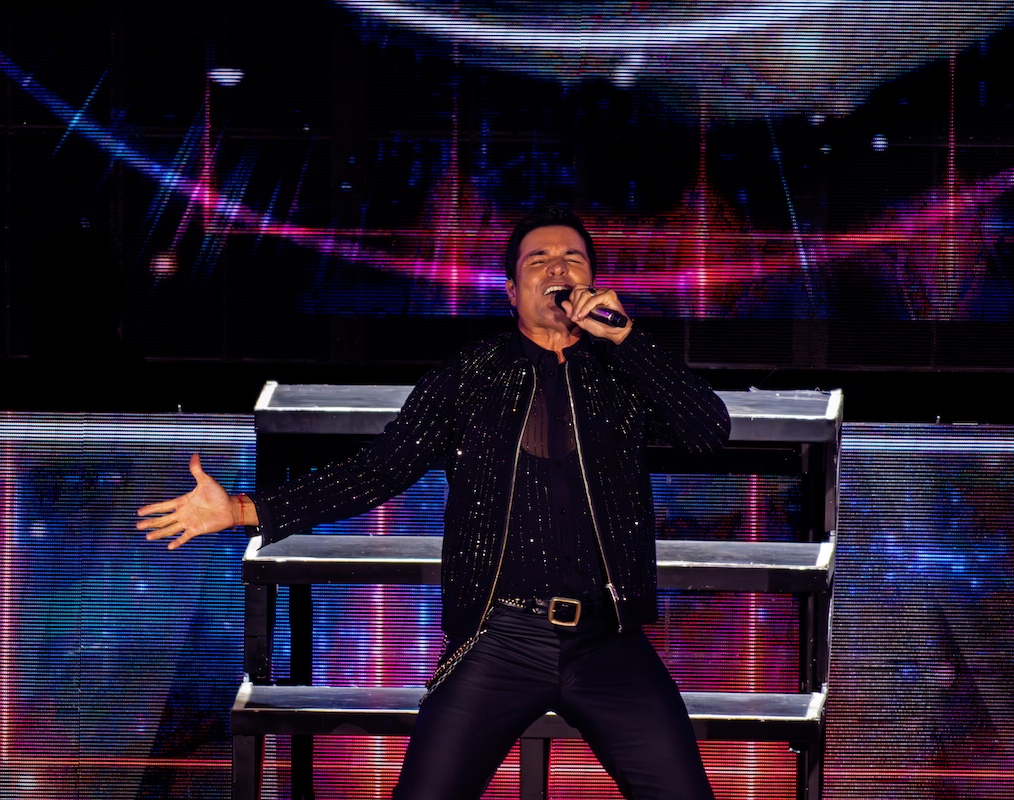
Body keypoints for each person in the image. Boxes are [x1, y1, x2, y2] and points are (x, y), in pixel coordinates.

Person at [137, 205, 731, 798]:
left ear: (593, 282)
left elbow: (709, 430)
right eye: (540, 259)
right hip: (501, 638)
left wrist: (626, 338)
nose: (558, 268)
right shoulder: (469, 375)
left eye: (572, 258)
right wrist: (243, 509)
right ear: (511, 291)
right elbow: (379, 469)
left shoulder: (622, 372)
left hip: (609, 642)